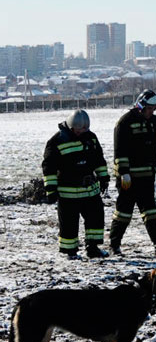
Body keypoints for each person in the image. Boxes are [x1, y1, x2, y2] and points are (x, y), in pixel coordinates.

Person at [109, 89, 156, 256]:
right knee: (123, 213)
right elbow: (119, 150)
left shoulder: (154, 121)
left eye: (154, 109)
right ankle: (114, 245)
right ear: (141, 106)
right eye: (150, 109)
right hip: (129, 179)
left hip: (148, 178)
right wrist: (124, 173)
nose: (152, 112)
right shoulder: (125, 122)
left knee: (152, 213)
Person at [41, 110, 110, 259]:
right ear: (71, 127)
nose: (82, 133)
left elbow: (98, 159)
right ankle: (70, 252)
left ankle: (93, 248)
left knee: (95, 219)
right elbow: (49, 166)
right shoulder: (56, 141)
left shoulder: (90, 138)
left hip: (90, 190)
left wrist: (104, 177)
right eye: (79, 131)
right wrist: (50, 189)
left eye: (84, 130)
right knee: (69, 224)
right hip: (68, 193)